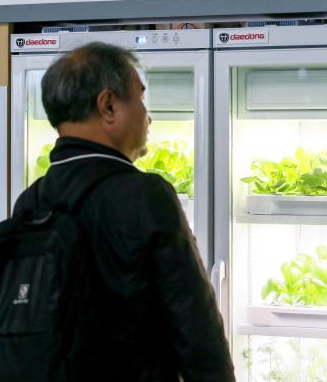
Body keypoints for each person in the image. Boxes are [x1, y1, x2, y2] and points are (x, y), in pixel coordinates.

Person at [13, 42, 235, 381]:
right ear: (108, 106)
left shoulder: (31, 202)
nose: (148, 116)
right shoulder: (146, 196)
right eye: (141, 98)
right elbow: (196, 329)